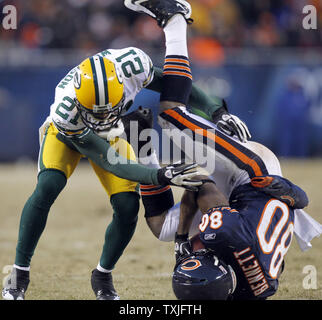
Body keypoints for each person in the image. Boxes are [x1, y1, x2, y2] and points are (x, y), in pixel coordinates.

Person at [124, 0, 320, 300]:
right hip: (252, 174)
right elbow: (202, 183)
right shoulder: (224, 235)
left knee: (161, 225)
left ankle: (141, 141)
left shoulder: (253, 291)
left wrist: (297, 197)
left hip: (251, 205)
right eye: (202, 254)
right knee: (171, 115)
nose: (196, 251)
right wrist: (181, 240)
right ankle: (175, 20)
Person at [2, 44, 208, 301]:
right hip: (70, 136)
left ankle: (102, 276)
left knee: (128, 205)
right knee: (48, 185)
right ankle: (18, 276)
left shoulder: (134, 67)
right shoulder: (67, 110)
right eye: (95, 112)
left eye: (108, 109)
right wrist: (159, 175)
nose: (101, 117)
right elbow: (110, 161)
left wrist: (214, 108)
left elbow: (175, 86)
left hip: (112, 135)